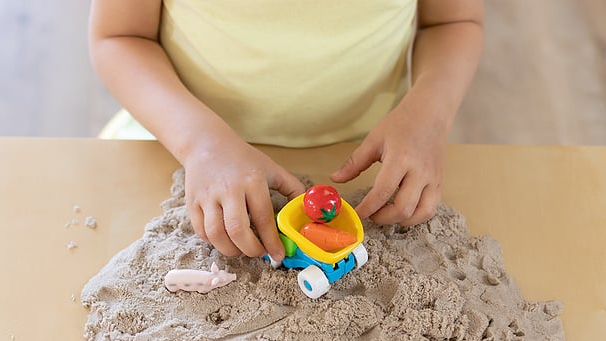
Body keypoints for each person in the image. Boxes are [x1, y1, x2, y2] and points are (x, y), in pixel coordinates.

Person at [89, 1, 483, 264]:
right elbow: (120, 36)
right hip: (183, 148)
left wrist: (430, 114)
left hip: (373, 158)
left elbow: (452, 20)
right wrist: (201, 145)